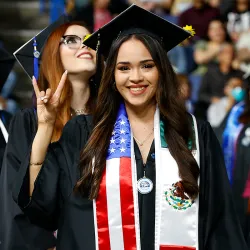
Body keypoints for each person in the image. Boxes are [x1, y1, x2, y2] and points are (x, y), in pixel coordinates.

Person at [12, 4, 247, 250]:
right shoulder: (85, 133)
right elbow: (43, 204)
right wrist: (46, 127)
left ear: (162, 71)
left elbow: (221, 223)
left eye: (147, 66)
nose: (135, 77)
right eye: (124, 68)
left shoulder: (196, 134)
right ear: (112, 75)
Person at [0, 18, 97, 249]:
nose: (84, 45)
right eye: (71, 40)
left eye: (90, 40)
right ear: (53, 54)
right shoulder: (29, 123)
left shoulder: (111, 122)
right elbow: (15, 199)